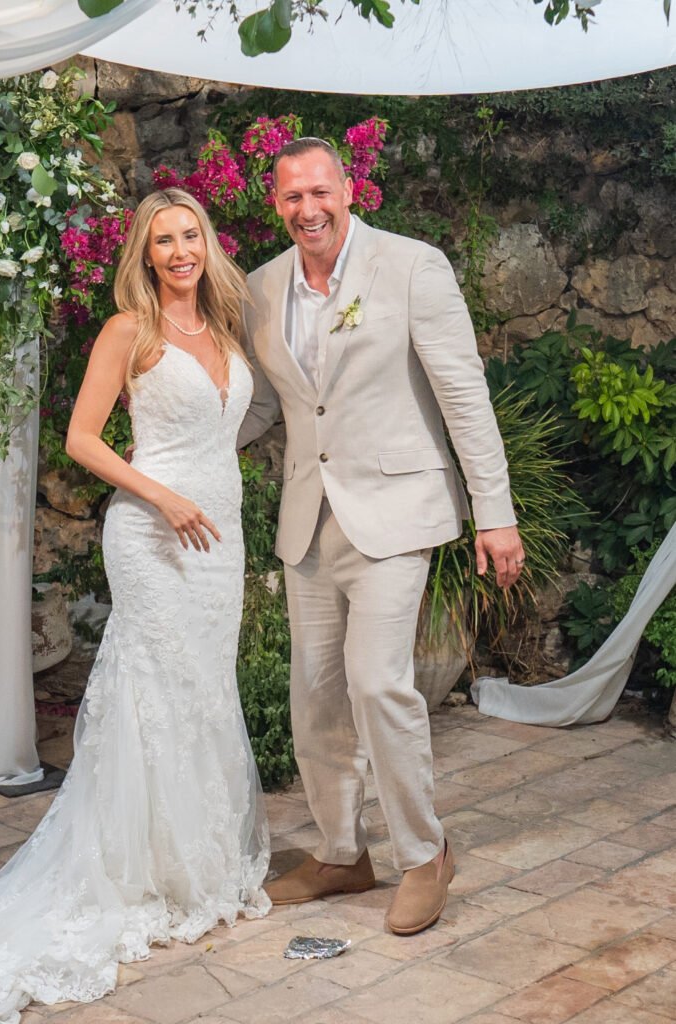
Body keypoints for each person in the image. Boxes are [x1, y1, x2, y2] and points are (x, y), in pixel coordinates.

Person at [0, 188, 270, 1024]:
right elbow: (81, 438)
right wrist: (163, 497)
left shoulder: (222, 328)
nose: (179, 251)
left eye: (190, 236)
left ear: (206, 244)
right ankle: (135, 868)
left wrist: (205, 498)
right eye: (163, 240)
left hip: (221, 537)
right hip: (153, 533)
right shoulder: (128, 332)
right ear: (144, 255)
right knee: (154, 689)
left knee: (203, 690)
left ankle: (195, 862)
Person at [238, 138, 525, 936]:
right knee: (315, 699)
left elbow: (462, 395)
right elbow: (267, 407)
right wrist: (185, 442)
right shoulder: (261, 288)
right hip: (309, 521)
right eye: (292, 197)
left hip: (397, 516)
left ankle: (423, 854)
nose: (308, 209)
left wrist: (493, 512)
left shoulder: (410, 266)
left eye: (319, 191)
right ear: (276, 203)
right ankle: (339, 852)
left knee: (376, 684)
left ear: (347, 188)